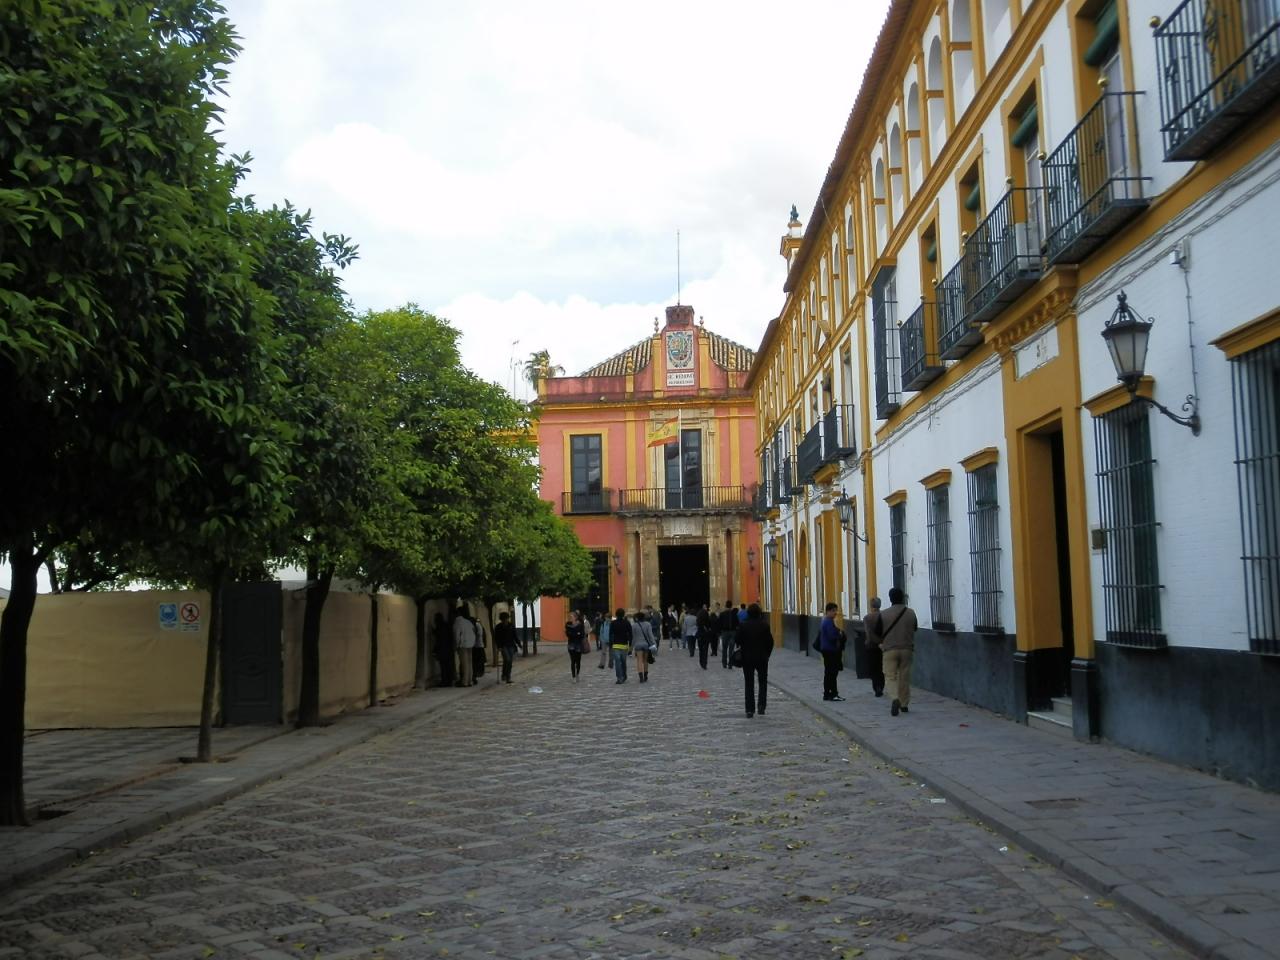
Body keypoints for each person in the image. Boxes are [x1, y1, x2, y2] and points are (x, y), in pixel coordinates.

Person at [880, 587, 918, 716]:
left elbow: (879, 631)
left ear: (890, 598)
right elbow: (915, 628)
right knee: (904, 676)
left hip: (889, 649)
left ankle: (894, 697)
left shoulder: (883, 614)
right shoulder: (911, 613)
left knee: (890, 676)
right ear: (902, 597)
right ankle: (904, 704)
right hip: (907, 648)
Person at [737, 603, 774, 717]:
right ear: (759, 613)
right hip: (762, 657)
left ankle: (749, 709)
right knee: (763, 682)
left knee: (749, 683)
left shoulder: (743, 625)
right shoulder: (765, 625)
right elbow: (770, 642)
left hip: (747, 658)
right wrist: (767, 654)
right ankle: (761, 706)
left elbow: (737, 639)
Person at [816, 601, 846, 702]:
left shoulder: (825, 620)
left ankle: (827, 694)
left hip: (826, 649)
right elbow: (832, 636)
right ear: (828, 611)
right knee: (832, 673)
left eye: (836, 610)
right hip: (830, 650)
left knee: (828, 673)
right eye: (833, 611)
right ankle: (833, 694)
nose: (835, 613)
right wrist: (839, 634)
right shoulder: (828, 621)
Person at [863, 596, 886, 698]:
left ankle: (876, 687)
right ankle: (881, 685)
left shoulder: (867, 618)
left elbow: (868, 633)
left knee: (874, 668)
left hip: (871, 646)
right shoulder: (884, 616)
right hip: (884, 645)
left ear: (871, 606)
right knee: (881, 667)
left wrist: (874, 642)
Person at [453, 605, 475, 687]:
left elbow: (456, 635)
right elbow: (473, 632)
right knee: (469, 663)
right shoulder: (468, 622)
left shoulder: (457, 622)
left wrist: (457, 645)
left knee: (464, 664)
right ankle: (470, 680)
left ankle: (465, 682)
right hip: (470, 644)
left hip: (462, 645)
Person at [609, 608, 633, 683]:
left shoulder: (613, 623)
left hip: (616, 645)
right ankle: (624, 675)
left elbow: (610, 634)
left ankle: (619, 678)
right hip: (624, 645)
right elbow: (630, 634)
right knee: (623, 661)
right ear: (623, 614)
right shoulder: (627, 623)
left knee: (617, 662)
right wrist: (630, 644)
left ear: (616, 615)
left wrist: (610, 644)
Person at [494, 611, 519, 685]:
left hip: (511, 645)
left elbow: (515, 635)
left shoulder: (511, 626)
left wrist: (519, 644)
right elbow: (496, 638)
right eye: (504, 619)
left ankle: (507, 676)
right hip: (503, 646)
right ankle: (505, 675)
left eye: (507, 619)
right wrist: (499, 646)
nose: (506, 620)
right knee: (507, 659)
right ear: (501, 619)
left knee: (509, 661)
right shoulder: (498, 627)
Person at [432, 611, 455, 688]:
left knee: (443, 666)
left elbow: (438, 639)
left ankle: (444, 681)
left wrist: (435, 650)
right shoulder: (446, 626)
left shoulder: (439, 627)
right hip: (448, 649)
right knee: (448, 666)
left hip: (442, 650)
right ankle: (449, 680)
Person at [632, 610, 655, 682]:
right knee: (645, 660)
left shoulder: (634, 626)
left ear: (637, 618)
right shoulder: (648, 624)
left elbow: (633, 638)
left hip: (638, 645)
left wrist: (631, 647)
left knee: (639, 660)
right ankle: (645, 676)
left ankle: (641, 677)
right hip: (646, 645)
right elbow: (650, 636)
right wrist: (653, 644)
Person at [566, 610, 586, 682]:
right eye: (570, 617)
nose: (570, 618)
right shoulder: (568, 624)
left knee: (578, 661)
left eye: (572, 617)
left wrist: (574, 634)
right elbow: (568, 634)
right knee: (573, 661)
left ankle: (577, 674)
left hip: (578, 645)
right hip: (571, 645)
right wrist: (576, 633)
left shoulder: (580, 625)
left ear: (576, 617)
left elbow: (582, 634)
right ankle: (573, 676)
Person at [719, 599, 738, 669]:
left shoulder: (722, 614)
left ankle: (724, 663)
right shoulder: (734, 614)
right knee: (731, 649)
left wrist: (720, 632)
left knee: (724, 648)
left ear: (725, 605)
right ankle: (730, 664)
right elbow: (737, 623)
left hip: (724, 632)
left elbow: (719, 623)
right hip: (733, 632)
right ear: (731, 606)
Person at [696, 603, 713, 669]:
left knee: (701, 649)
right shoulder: (706, 613)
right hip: (705, 634)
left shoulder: (698, 613)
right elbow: (709, 623)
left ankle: (701, 662)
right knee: (705, 649)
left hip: (700, 634)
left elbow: (697, 623)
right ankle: (704, 663)